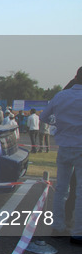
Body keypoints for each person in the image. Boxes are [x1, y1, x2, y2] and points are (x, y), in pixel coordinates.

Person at [40, 67, 82, 244]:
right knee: (80, 192)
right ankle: (77, 231)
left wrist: (58, 125)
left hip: (64, 146)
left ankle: (58, 226)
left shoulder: (61, 95)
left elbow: (44, 117)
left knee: (61, 189)